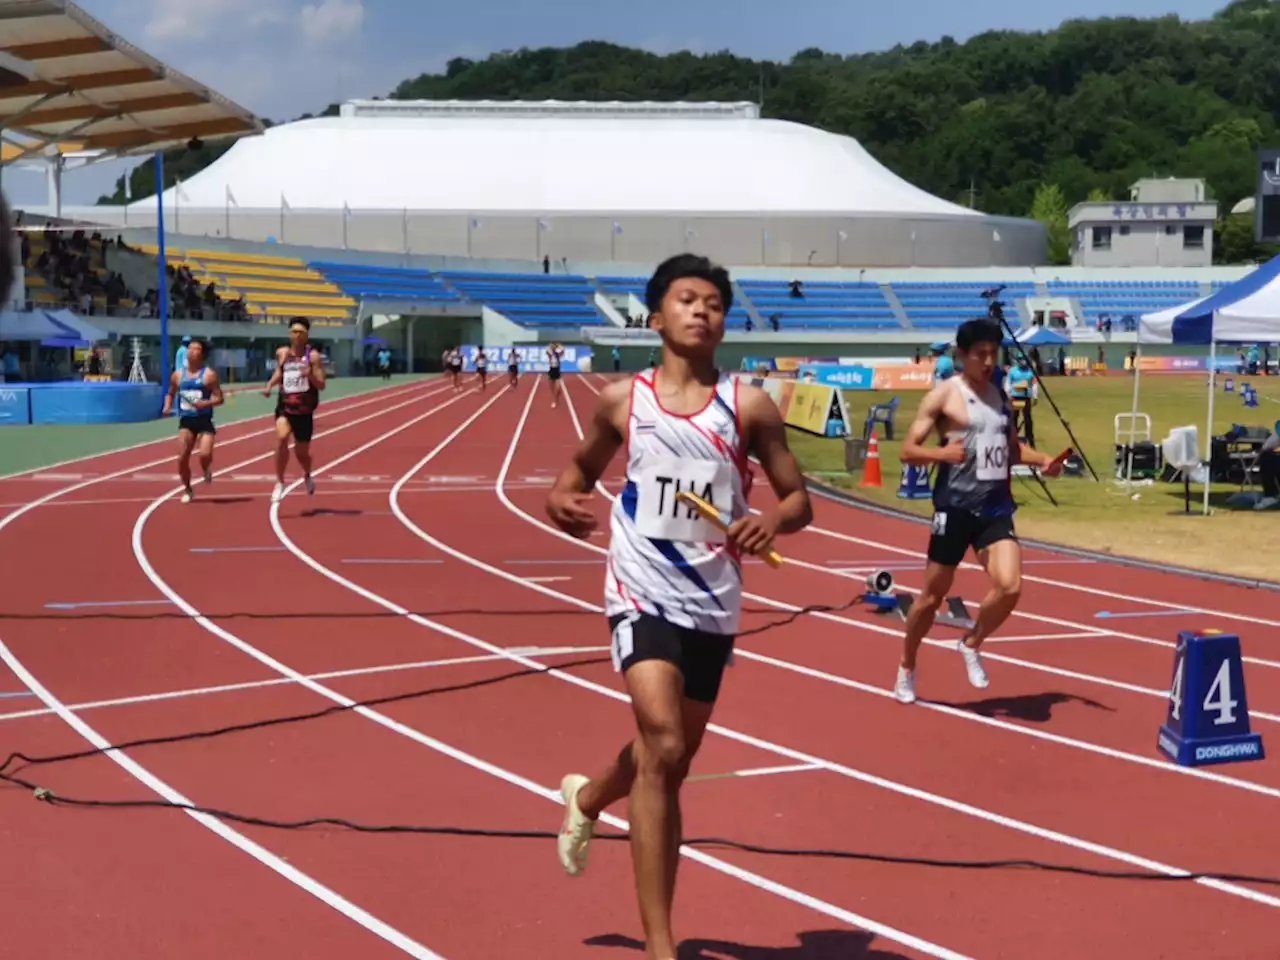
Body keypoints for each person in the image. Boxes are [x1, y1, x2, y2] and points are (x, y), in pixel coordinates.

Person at [545, 253, 813, 960]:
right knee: (662, 743)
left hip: (714, 600)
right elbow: (576, 471)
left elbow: (799, 498)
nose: (701, 311)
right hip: (639, 588)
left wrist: (774, 522)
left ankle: (591, 798)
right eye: (686, 300)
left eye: (714, 303)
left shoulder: (749, 406)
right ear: (656, 316)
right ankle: (662, 945)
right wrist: (560, 498)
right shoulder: (621, 401)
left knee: (670, 758)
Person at [894, 317, 1063, 705]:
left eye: (993, 353)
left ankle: (971, 642)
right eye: (980, 354)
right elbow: (907, 451)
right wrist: (940, 453)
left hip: (994, 509)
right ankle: (907, 664)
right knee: (932, 598)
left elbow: (1015, 452)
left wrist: (1046, 461)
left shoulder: (1001, 396)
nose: (988, 361)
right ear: (962, 355)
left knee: (1011, 585)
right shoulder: (944, 396)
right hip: (953, 509)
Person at [263, 317, 325, 503]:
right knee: (281, 438)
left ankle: (307, 474)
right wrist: (269, 385)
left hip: (304, 410)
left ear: (307, 335)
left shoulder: (313, 357)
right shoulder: (282, 353)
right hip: (285, 405)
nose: (297, 335)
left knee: (302, 453)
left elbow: (321, 384)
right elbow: (280, 372)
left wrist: (310, 375)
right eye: (294, 332)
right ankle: (280, 482)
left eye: (301, 332)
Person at [161, 338, 223, 503]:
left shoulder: (209, 375)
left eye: (196, 349)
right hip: (186, 421)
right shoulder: (178, 375)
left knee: (205, 454)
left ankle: (206, 469)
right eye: (190, 348)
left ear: (202, 354)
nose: (191, 351)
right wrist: (167, 406)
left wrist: (206, 403)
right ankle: (188, 489)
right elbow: (171, 393)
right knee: (182, 458)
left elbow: (220, 398)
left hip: (204, 420)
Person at [546, 342, 564, 407]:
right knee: (551, 387)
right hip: (551, 370)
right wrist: (551, 345)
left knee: (557, 387)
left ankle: (555, 401)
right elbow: (547, 350)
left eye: (554, 347)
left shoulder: (558, 355)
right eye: (552, 347)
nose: (553, 348)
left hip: (557, 371)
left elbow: (562, 350)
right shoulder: (550, 355)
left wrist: (558, 345)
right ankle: (555, 396)